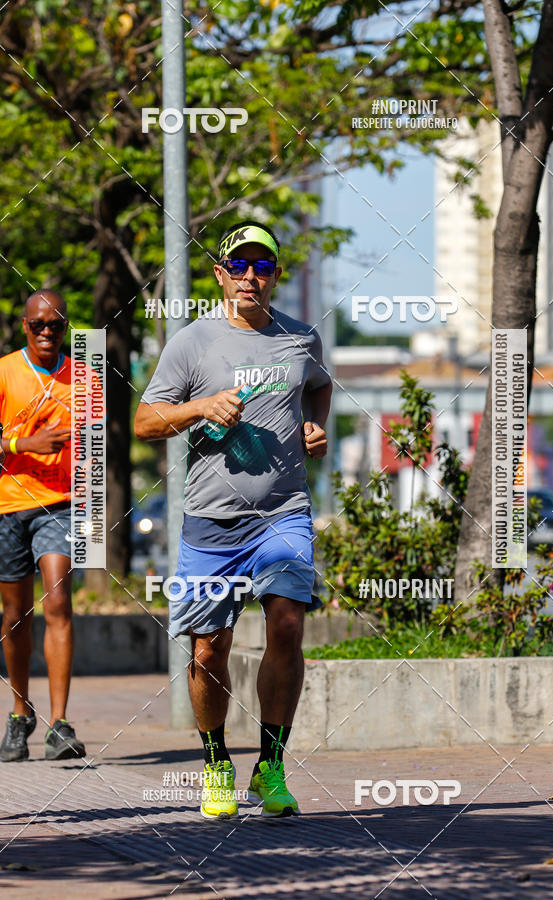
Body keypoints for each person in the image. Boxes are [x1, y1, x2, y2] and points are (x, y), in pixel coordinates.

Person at [135, 221, 332, 818]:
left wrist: (315, 427)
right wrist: (199, 407)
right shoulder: (191, 343)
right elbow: (146, 421)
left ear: (276, 276)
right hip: (210, 522)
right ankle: (217, 764)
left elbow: (318, 389)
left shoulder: (302, 341)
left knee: (288, 626)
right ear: (220, 274)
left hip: (283, 513)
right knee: (207, 652)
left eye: (263, 266)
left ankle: (270, 766)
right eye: (240, 265)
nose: (251, 276)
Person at [0, 290, 85, 762]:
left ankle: (60, 724)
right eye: (38, 325)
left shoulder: (85, 377)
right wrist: (22, 443)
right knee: (15, 618)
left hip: (62, 505)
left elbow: (94, 455)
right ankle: (19, 715)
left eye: (56, 324)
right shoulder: (4, 371)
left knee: (57, 601)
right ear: (25, 327)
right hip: (8, 505)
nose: (47, 331)